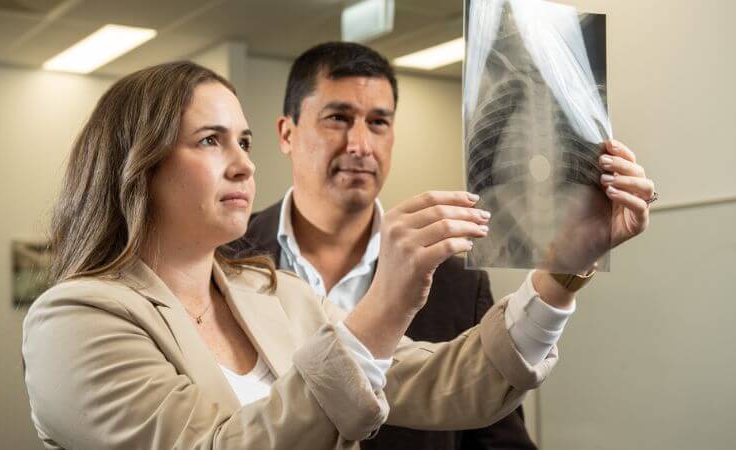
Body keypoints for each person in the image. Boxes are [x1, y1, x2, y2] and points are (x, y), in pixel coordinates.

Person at [21, 60, 654, 450]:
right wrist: (385, 303)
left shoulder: (275, 294)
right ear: (137, 166)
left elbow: (448, 386)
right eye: (210, 141)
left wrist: (561, 273)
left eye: (242, 140)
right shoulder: (76, 319)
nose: (244, 163)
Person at [229, 41, 540, 450]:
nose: (360, 145)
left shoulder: (457, 286)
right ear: (287, 134)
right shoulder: (224, 260)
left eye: (378, 122)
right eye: (338, 118)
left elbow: (499, 442)